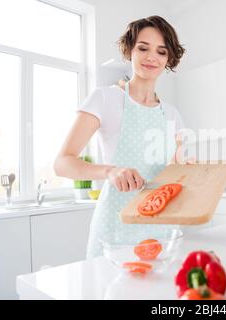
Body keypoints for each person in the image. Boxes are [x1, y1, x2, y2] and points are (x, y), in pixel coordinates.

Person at [54, 15, 186, 258]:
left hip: (162, 230)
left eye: (161, 51)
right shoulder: (104, 98)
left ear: (169, 59)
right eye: (143, 48)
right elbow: (62, 163)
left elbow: (177, 171)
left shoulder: (172, 114)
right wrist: (109, 172)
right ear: (129, 51)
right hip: (115, 230)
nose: (151, 57)